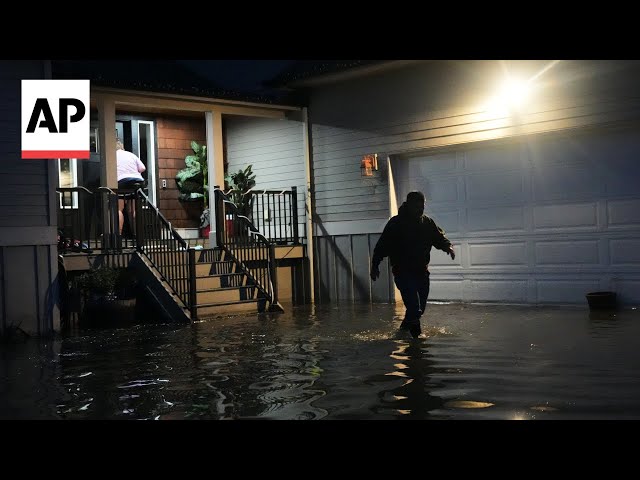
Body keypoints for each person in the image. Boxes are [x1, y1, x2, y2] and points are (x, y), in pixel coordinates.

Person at [370, 191, 455, 338]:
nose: (420, 209)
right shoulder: (396, 223)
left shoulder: (427, 222)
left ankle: (402, 332)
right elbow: (382, 245)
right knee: (414, 308)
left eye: (422, 206)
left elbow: (439, 238)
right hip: (403, 272)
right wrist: (375, 265)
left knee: (419, 310)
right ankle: (417, 342)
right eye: (417, 206)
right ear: (408, 205)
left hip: (422, 273)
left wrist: (448, 246)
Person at [116, 138, 146, 235]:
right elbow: (142, 168)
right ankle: (137, 235)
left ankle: (118, 236)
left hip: (122, 181)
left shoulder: (112, 155)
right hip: (137, 181)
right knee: (133, 209)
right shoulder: (131, 155)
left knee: (119, 209)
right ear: (122, 147)